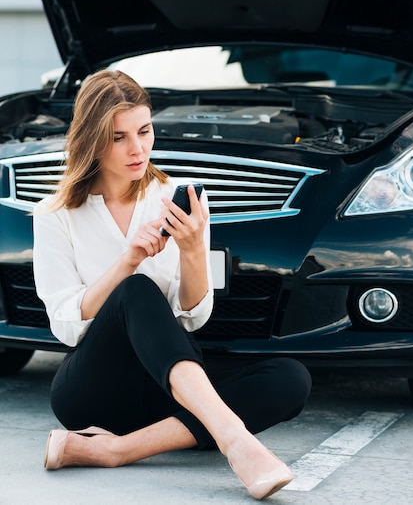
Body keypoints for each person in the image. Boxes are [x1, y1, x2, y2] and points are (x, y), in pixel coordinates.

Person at [33, 69, 311, 500]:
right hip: (91, 394)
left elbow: (193, 318)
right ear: (91, 139)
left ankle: (117, 450)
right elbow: (65, 325)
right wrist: (126, 263)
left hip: (168, 390)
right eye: (118, 137)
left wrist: (194, 249)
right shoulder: (54, 214)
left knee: (291, 378)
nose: (138, 148)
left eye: (144, 131)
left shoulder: (173, 198)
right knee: (135, 288)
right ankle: (234, 438)